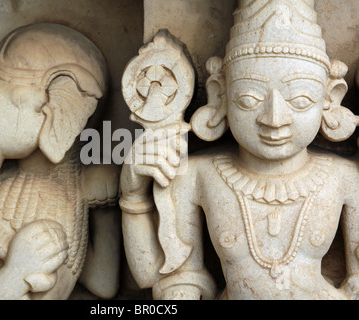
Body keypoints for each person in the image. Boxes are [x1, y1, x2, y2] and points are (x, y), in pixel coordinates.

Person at [120, 0, 359, 299]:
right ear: (220, 94)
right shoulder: (196, 176)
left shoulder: (346, 179)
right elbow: (154, 274)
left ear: (330, 98)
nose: (274, 119)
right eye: (248, 99)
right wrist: (132, 194)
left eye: (300, 100)